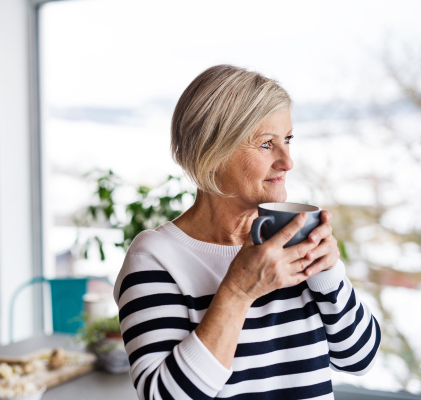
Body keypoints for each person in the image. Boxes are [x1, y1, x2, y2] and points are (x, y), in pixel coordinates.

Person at [114, 65, 380, 400]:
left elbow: (360, 359)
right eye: (267, 144)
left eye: (288, 139)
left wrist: (329, 273)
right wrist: (238, 292)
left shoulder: (291, 239)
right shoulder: (156, 259)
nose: (287, 161)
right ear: (212, 152)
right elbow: (163, 396)